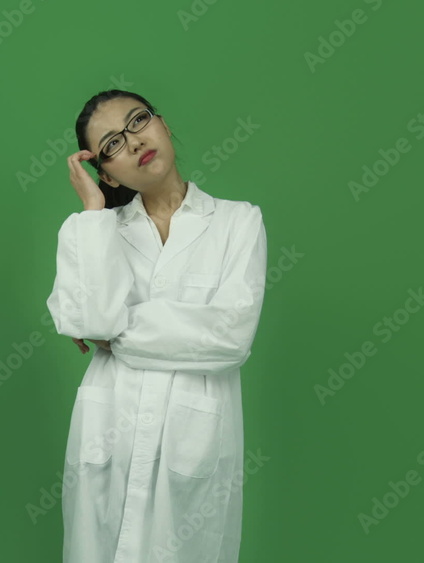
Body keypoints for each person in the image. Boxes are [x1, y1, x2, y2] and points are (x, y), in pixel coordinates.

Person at [46, 89, 267, 562]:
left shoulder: (238, 222)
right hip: (108, 435)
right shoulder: (93, 231)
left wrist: (117, 332)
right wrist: (93, 209)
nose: (133, 141)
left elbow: (229, 338)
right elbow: (86, 319)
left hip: (193, 445)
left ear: (162, 124)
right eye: (111, 144)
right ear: (105, 173)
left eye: (138, 121)